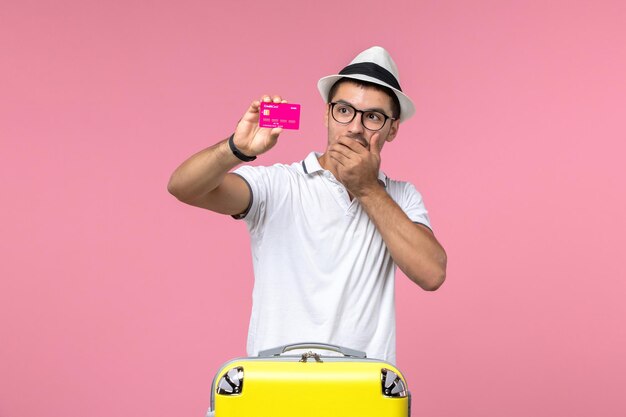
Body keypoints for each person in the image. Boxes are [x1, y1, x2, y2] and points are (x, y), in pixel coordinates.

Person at [168, 46, 447, 364]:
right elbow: (182, 187)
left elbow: (432, 273)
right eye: (344, 110)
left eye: (372, 117)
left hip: (360, 395)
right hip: (275, 389)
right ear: (327, 114)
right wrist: (236, 148)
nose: (355, 127)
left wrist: (368, 189)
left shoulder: (401, 197)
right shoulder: (278, 185)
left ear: (392, 128)